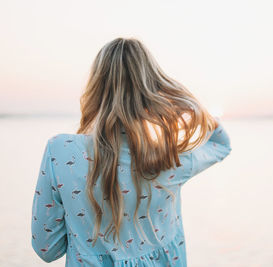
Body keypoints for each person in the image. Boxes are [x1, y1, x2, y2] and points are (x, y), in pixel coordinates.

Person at [30, 37, 232, 266]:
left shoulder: (61, 152)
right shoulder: (168, 160)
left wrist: (84, 229)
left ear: (95, 87)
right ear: (153, 88)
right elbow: (221, 144)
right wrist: (186, 101)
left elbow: (47, 248)